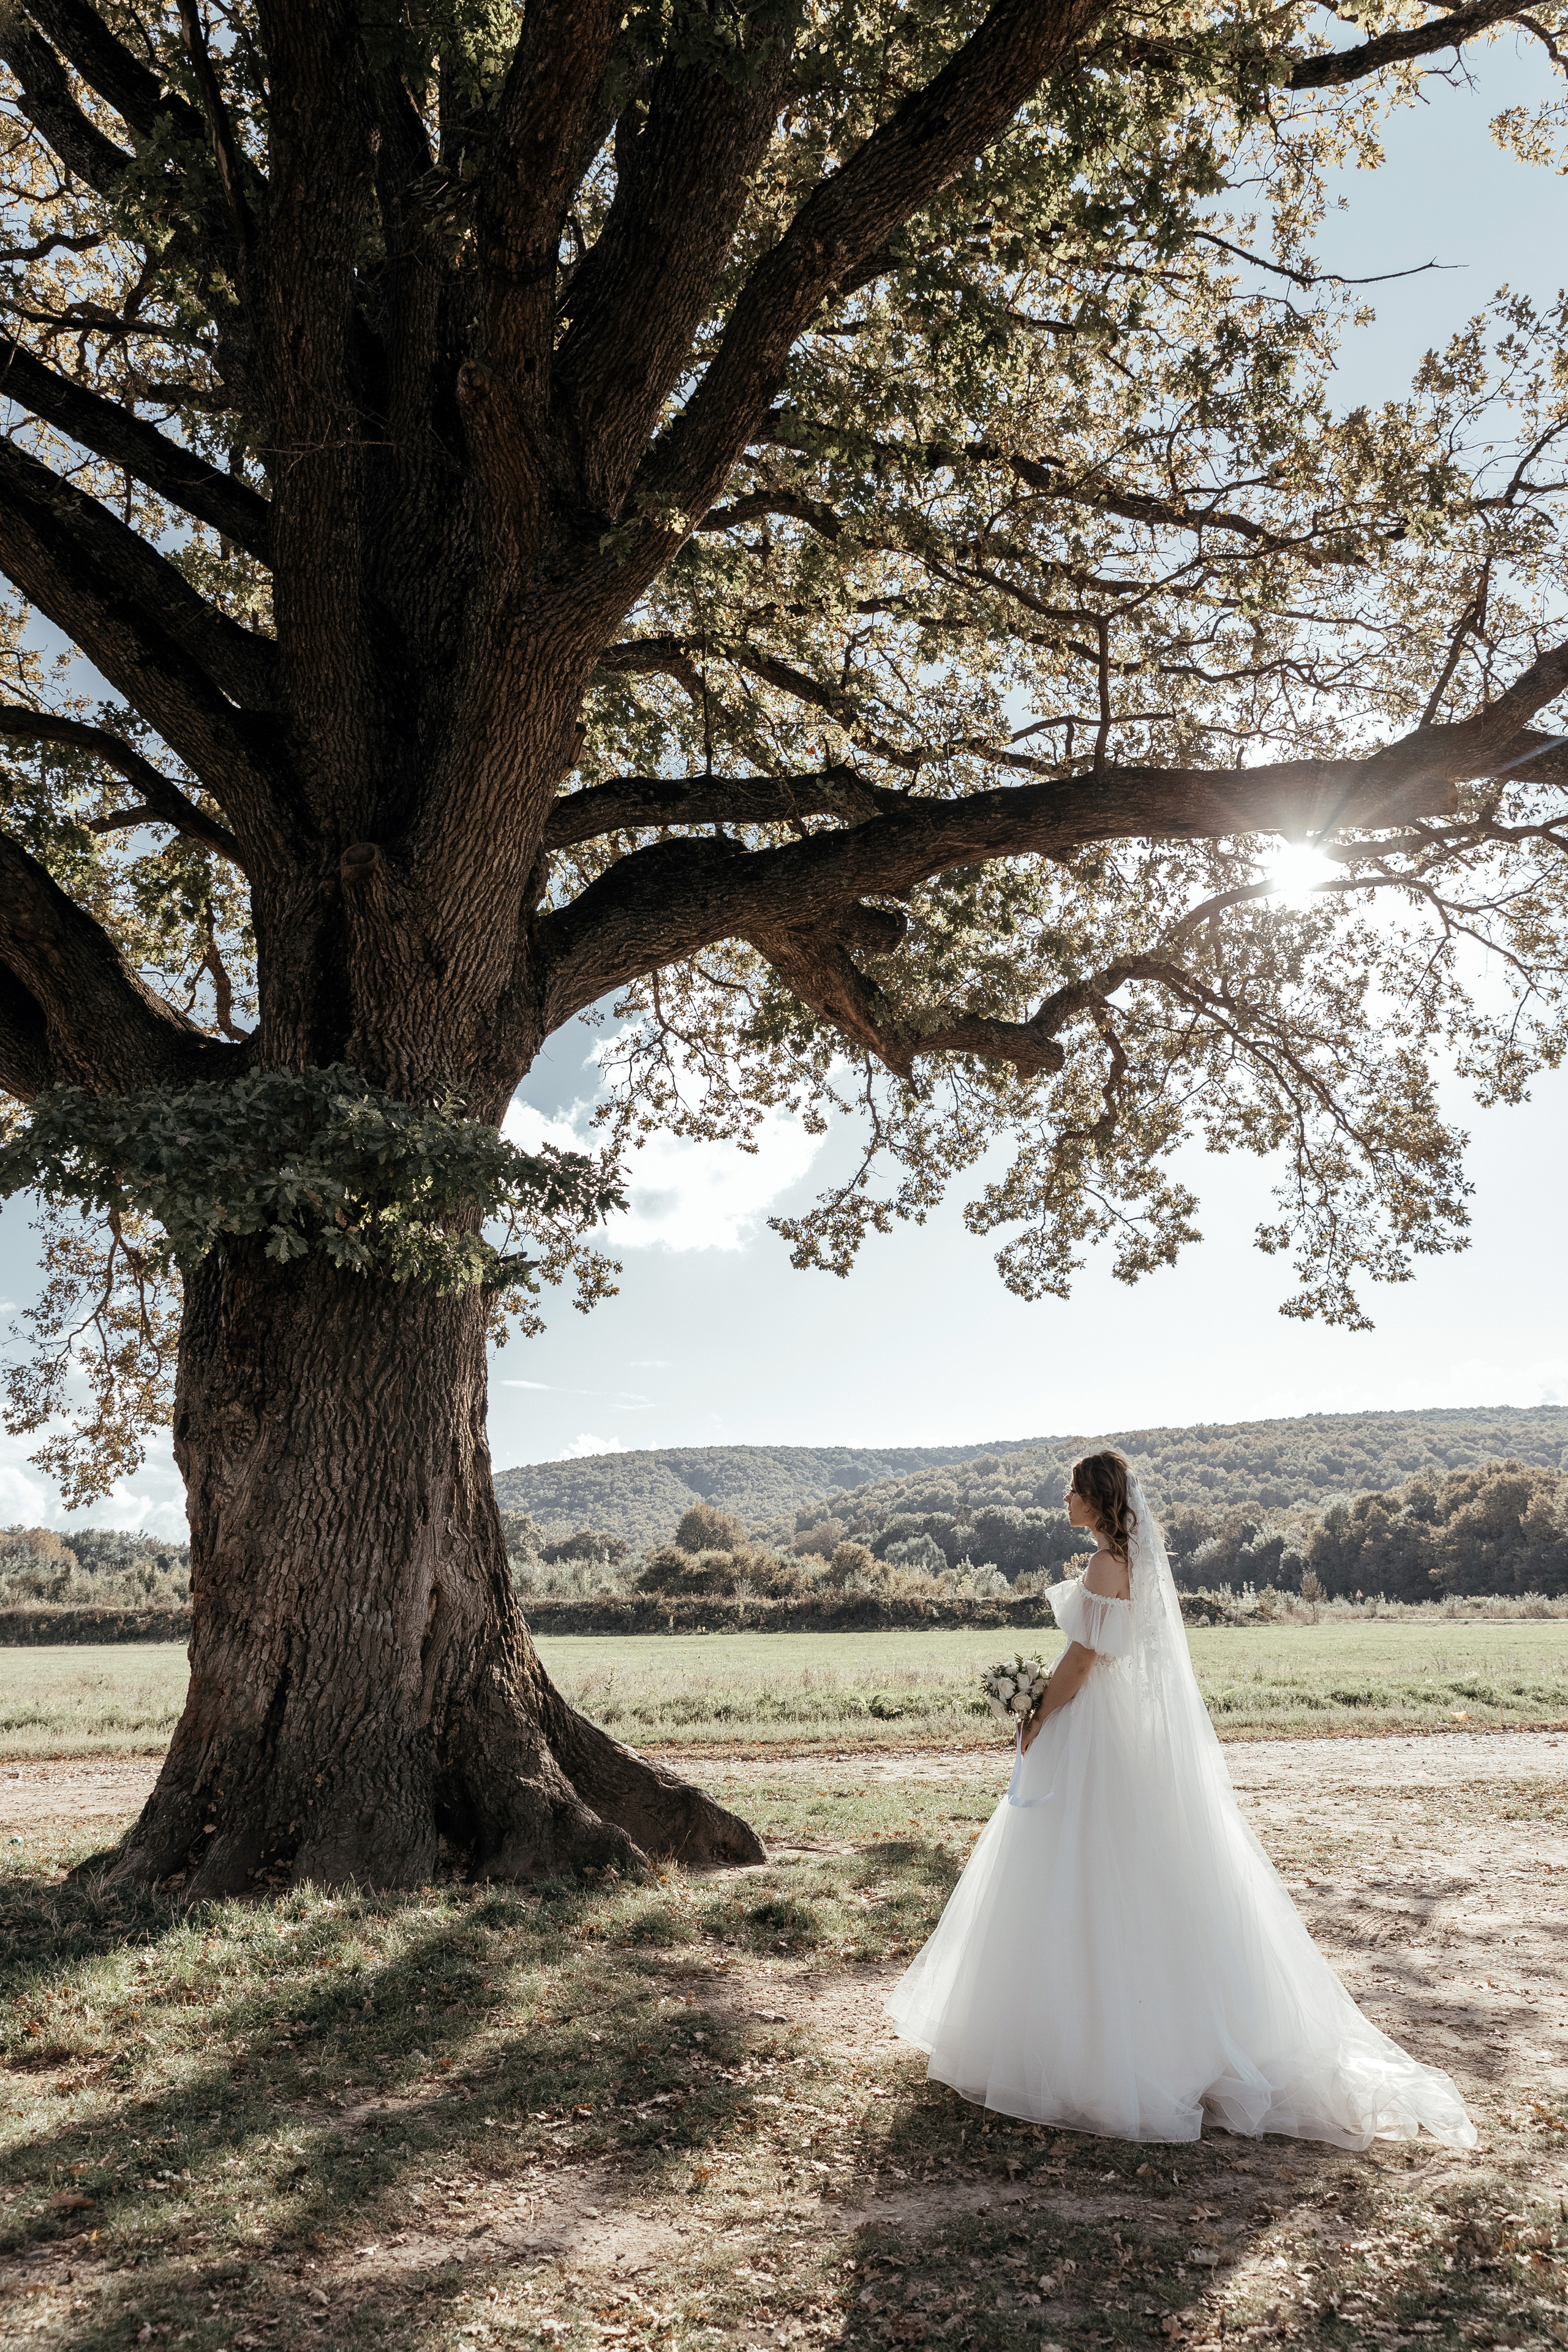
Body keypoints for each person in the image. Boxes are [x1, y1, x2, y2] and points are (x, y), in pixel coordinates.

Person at [886, 1450, 1476, 2150]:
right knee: (1133, 1865)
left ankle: (1093, 2050)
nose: (1064, 1502)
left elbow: (1081, 1660)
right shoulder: (1127, 1563)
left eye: (1072, 1492)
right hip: (1118, 1726)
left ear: (1097, 1499)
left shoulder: (1106, 1565)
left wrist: (1037, 1711)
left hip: (1092, 1726)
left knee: (1080, 1861)